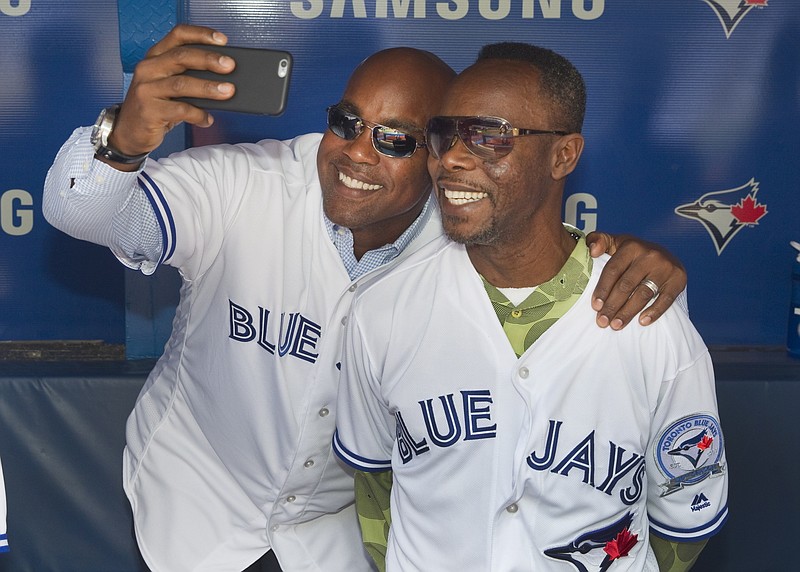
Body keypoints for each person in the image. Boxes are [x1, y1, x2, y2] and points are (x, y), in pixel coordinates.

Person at [43, 24, 687, 572]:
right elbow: (87, 213)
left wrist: (641, 264)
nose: (356, 153)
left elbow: (549, 253)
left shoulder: (467, 234)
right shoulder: (248, 185)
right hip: (192, 510)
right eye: (347, 123)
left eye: (395, 140)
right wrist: (123, 140)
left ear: (439, 152)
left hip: (338, 542)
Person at [333, 42, 728, 572]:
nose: (450, 157)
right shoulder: (381, 309)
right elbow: (375, 484)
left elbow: (684, 522)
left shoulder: (647, 319)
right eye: (443, 134)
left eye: (489, 136)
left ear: (563, 155)